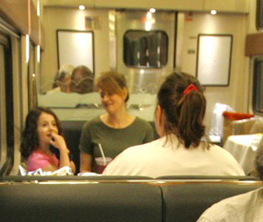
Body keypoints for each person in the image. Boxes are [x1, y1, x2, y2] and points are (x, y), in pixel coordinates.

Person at [103, 72, 244, 177]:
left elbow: (101, 200)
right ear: (199, 115)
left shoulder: (128, 162)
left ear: (159, 113)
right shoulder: (229, 165)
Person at [78, 71, 155, 174]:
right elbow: (84, 170)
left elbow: (148, 169)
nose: (105, 99)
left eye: (110, 93)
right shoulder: (90, 127)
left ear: (124, 93)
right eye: (102, 95)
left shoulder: (144, 128)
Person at [20, 107, 72, 173]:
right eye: (44, 125)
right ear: (34, 130)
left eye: (54, 124)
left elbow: (72, 168)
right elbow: (63, 176)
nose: (51, 128)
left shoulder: (54, 152)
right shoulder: (35, 159)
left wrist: (62, 152)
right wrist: (63, 149)